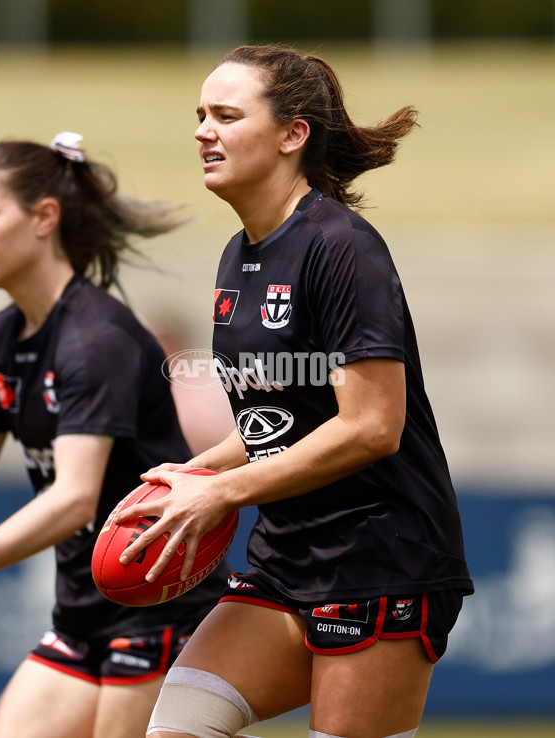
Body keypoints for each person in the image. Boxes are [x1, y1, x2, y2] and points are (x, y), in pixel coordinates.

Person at [115, 45, 475, 738]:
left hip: (382, 563)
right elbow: (272, 420)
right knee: (176, 727)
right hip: (287, 562)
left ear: (292, 134)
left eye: (224, 114)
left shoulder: (341, 246)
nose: (201, 131)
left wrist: (221, 494)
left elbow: (372, 426)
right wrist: (200, 471)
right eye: (199, 116)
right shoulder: (239, 253)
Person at [0, 132, 230, 738]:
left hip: (159, 605)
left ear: (43, 218)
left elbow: (74, 497)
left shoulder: (95, 339)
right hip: (81, 616)